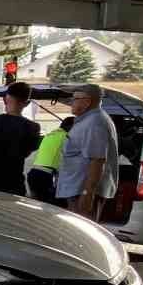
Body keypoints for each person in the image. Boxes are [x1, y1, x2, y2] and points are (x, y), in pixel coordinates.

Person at [55, 84, 119, 220]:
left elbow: (97, 161)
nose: (71, 102)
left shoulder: (94, 123)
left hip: (82, 192)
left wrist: (87, 194)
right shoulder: (88, 121)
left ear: (87, 101)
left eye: (75, 98)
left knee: (79, 235)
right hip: (77, 190)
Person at [28, 116, 74, 205]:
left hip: (33, 174)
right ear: (70, 127)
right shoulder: (66, 137)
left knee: (37, 207)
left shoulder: (49, 135)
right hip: (43, 176)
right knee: (52, 207)